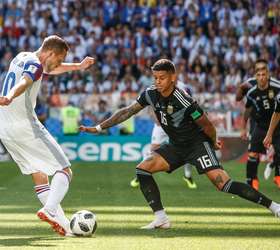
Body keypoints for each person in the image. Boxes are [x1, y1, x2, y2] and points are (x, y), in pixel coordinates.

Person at [80, 59, 280, 229]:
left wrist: (213, 142)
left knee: (224, 184)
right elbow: (127, 111)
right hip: (175, 145)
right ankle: (161, 218)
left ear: (173, 77)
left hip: (197, 145)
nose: (158, 82)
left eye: (162, 78)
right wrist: (99, 128)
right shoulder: (150, 94)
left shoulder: (183, 100)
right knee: (143, 170)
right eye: (155, 78)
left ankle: (274, 207)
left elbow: (206, 124)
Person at [0, 35, 95, 236]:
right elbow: (25, 82)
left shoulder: (22, 57)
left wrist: (78, 66)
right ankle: (50, 210)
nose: (59, 63)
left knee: (39, 175)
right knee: (65, 170)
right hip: (26, 126)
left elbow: (47, 70)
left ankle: (65, 226)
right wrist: (9, 96)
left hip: (4, 129)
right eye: (59, 59)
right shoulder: (35, 64)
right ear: (50, 53)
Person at [130, 104, 197, 189]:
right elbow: (151, 107)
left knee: (188, 150)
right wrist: (156, 118)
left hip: (177, 127)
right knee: (152, 151)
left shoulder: (181, 95)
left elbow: (190, 110)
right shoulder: (157, 94)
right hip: (161, 127)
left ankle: (187, 176)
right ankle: (141, 175)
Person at [239, 59, 280, 189]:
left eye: (264, 75)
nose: (262, 78)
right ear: (255, 77)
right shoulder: (251, 93)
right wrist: (243, 128)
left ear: (268, 75)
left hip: (278, 126)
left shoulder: (277, 87)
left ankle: (278, 177)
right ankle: (251, 180)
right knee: (252, 153)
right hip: (260, 125)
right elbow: (247, 110)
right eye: (259, 75)